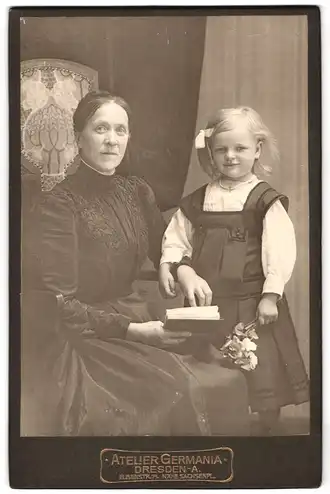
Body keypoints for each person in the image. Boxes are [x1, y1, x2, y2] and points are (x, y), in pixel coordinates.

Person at [21, 91, 250, 436]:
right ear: (78, 136)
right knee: (181, 392)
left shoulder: (136, 191)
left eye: (121, 130)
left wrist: (183, 269)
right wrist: (134, 331)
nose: (112, 140)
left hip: (138, 315)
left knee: (227, 377)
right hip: (87, 335)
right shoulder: (58, 206)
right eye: (101, 129)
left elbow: (166, 250)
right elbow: (60, 305)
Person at [159, 106, 309, 435]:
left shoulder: (263, 200)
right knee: (211, 366)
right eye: (221, 150)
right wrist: (171, 266)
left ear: (257, 149)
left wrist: (270, 295)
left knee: (261, 365)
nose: (230, 157)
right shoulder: (198, 202)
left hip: (252, 301)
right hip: (208, 303)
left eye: (239, 148)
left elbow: (279, 251)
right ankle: (218, 421)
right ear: (210, 153)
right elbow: (176, 239)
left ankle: (267, 427)